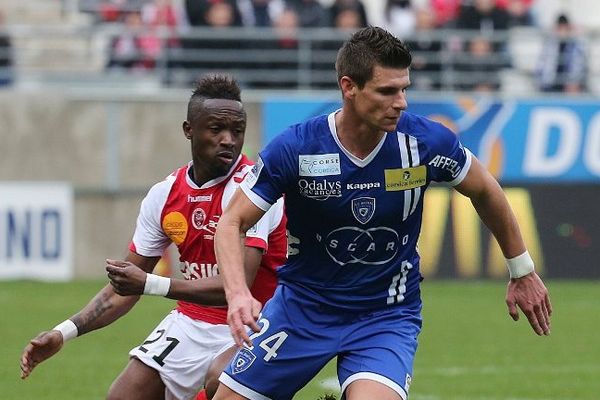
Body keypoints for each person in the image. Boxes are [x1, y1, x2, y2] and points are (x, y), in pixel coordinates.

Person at [212, 26, 552, 400]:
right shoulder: (297, 147)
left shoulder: (425, 142)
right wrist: (238, 294)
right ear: (349, 87)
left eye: (404, 88)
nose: (402, 102)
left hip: (385, 315)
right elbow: (231, 222)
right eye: (387, 91)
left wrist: (521, 269)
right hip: (302, 310)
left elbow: (486, 189)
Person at [20, 74, 287, 400]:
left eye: (237, 130)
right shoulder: (165, 194)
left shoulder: (254, 190)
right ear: (189, 130)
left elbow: (236, 287)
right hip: (191, 320)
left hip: (258, 323)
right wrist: (63, 333)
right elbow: (123, 287)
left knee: (223, 380)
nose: (229, 139)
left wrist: (149, 284)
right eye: (216, 129)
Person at [536, 13, 587, 93]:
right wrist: (544, 83)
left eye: (565, 28)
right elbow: (542, 67)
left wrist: (573, 82)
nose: (562, 32)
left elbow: (578, 66)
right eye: (560, 28)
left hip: (569, 86)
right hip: (550, 85)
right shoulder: (549, 45)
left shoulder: (576, 45)